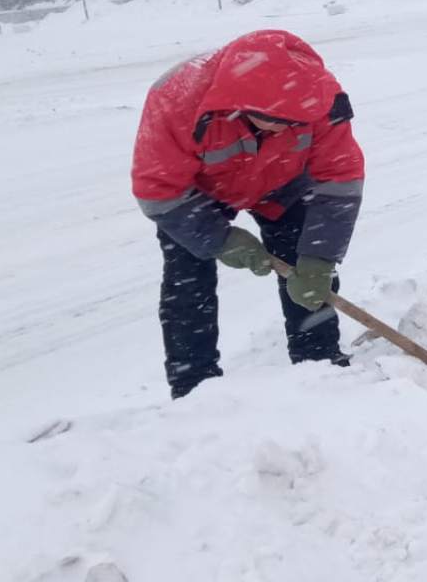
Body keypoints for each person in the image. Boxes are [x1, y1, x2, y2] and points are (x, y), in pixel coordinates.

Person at [131, 30, 365, 398]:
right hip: (197, 194)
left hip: (284, 181)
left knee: (308, 270)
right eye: (282, 123)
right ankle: (194, 387)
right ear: (244, 108)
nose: (295, 128)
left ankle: (320, 364)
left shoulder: (320, 96)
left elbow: (340, 179)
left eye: (300, 122)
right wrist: (219, 239)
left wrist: (320, 257)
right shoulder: (176, 99)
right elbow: (158, 190)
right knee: (188, 281)